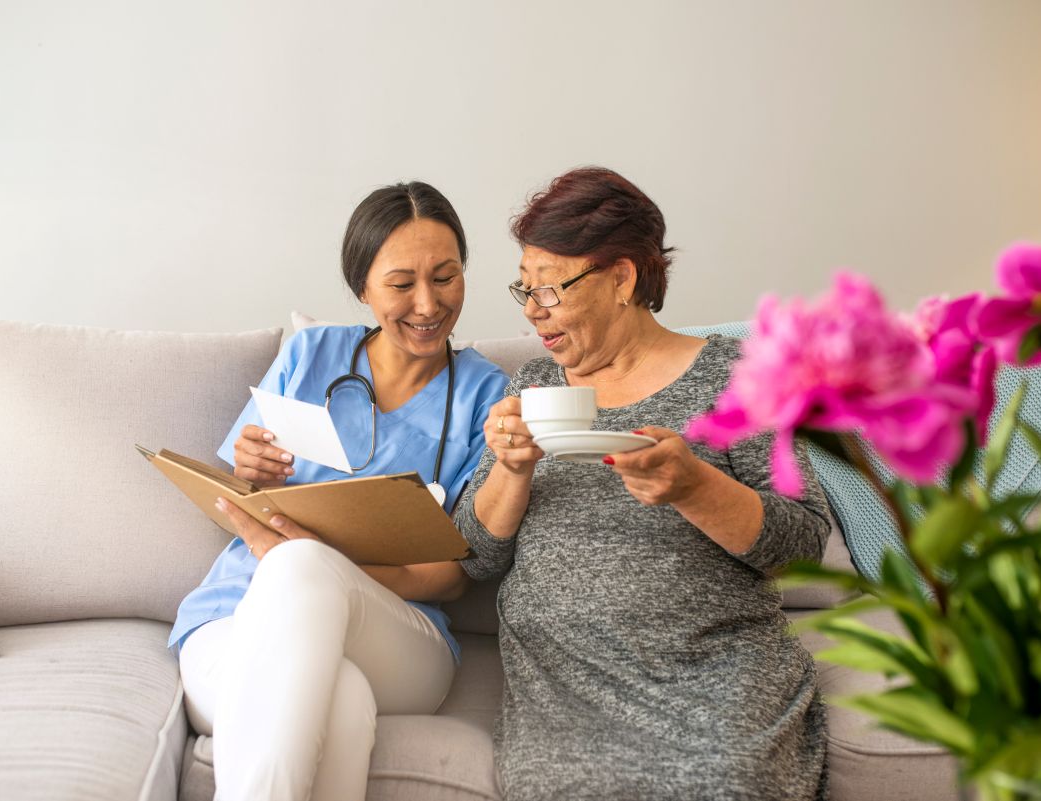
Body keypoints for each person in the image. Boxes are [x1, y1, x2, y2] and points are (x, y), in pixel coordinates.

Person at [454, 167, 832, 801]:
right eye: (524, 288)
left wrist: (695, 488)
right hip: (564, 687)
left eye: (549, 289)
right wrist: (512, 470)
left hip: (711, 671)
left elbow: (804, 550)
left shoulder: (739, 377)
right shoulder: (532, 390)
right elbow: (473, 552)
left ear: (622, 278)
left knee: (724, 784)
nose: (530, 310)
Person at [168, 181, 509, 801]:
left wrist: (321, 561)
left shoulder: (487, 396)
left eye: (447, 276)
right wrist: (250, 474)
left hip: (399, 636)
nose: (429, 304)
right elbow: (235, 508)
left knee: (302, 564)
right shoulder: (311, 353)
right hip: (233, 620)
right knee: (344, 703)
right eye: (402, 284)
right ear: (363, 289)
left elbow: (451, 576)